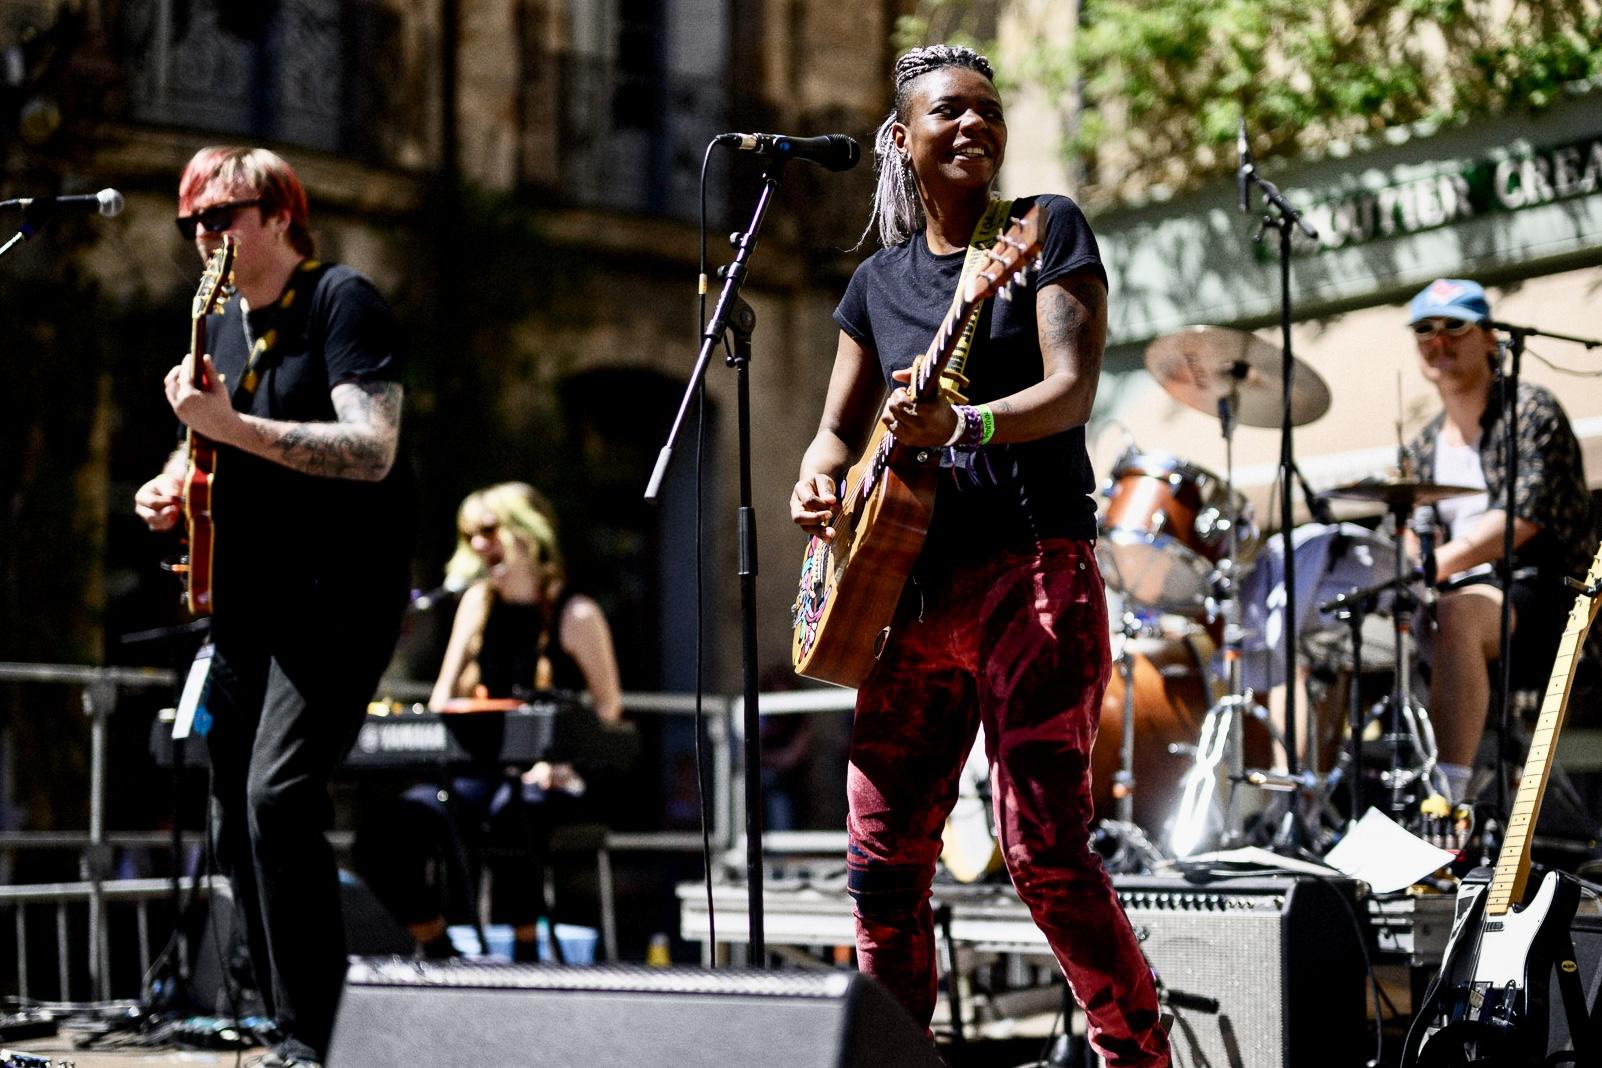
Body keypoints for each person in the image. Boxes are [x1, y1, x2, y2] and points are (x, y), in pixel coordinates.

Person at [789, 44, 1169, 1067]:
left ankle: (1136, 1050)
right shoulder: (874, 284)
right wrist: (819, 477)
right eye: (949, 111)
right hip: (907, 595)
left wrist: (962, 428)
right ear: (902, 140)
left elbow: (1071, 389)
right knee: (882, 866)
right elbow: (837, 431)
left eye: (989, 112)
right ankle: (896, 1054)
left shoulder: (1041, 232)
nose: (975, 127)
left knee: (1045, 849)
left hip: (1031, 567)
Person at [134, 147, 412, 1068]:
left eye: (223, 216)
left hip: (336, 597)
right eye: (193, 224)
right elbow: (208, 455)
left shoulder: (341, 301)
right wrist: (171, 480)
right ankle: (282, 1012)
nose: (206, 237)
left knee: (278, 795)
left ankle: (322, 1036)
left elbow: (371, 449)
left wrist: (232, 430)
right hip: (245, 605)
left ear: (282, 213)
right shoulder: (218, 331)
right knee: (231, 815)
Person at [355, 481, 623, 961]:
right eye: (469, 534)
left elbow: (608, 708)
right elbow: (441, 698)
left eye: (489, 529)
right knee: (382, 835)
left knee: (512, 814)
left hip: (550, 777)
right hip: (476, 772)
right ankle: (436, 943)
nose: (479, 545)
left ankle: (526, 955)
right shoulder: (477, 603)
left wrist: (561, 761)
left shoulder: (575, 613)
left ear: (528, 532)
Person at [1405, 278, 1595, 805]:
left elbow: (1523, 519)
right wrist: (1400, 567)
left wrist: (1431, 566)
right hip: (1452, 593)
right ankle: (1302, 804)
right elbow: (1404, 530)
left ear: (1490, 338)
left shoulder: (1531, 412)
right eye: (1424, 329)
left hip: (1547, 598)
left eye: (1453, 327)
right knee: (1327, 636)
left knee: (1456, 614)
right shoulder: (1420, 445)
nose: (1437, 341)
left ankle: (1446, 802)